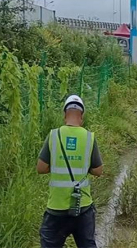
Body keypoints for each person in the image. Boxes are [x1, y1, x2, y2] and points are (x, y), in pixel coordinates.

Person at [37, 94, 103, 248]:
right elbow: (98, 170)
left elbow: (41, 168)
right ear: (82, 116)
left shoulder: (54, 135)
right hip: (83, 208)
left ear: (64, 114)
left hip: (56, 209)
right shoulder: (89, 137)